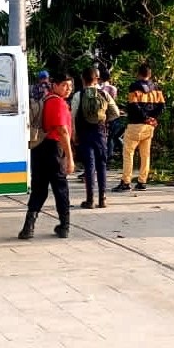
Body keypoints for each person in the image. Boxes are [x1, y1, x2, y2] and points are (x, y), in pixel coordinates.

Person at [18, 71, 75, 239]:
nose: (68, 89)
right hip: (54, 149)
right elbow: (62, 131)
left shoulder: (46, 99)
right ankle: (64, 226)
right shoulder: (57, 102)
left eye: (70, 86)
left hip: (39, 148)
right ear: (54, 85)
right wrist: (70, 158)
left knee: (39, 189)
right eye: (64, 85)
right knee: (60, 188)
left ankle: (29, 226)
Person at [71, 66, 120, 209]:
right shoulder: (104, 94)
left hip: (84, 133)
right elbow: (116, 113)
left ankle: (90, 200)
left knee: (89, 166)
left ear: (82, 79)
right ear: (97, 79)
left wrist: (74, 134)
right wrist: (104, 120)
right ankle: (102, 199)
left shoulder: (79, 95)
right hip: (100, 132)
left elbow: (72, 116)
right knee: (101, 165)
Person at [113, 63, 166, 191]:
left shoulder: (134, 86)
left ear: (138, 73)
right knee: (145, 154)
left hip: (135, 125)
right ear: (150, 74)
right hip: (149, 126)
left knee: (128, 153)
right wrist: (152, 118)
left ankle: (126, 182)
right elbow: (162, 106)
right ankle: (142, 181)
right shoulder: (156, 87)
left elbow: (134, 106)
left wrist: (145, 117)